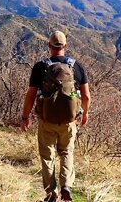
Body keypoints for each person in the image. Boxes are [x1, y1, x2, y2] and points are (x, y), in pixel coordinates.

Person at [20, 31, 91, 202]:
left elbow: (30, 95)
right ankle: (66, 186)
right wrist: (85, 113)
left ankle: (51, 193)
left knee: (47, 156)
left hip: (46, 120)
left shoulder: (40, 67)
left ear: (49, 46)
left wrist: (25, 117)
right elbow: (86, 96)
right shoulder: (77, 67)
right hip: (69, 121)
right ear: (65, 46)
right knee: (67, 152)